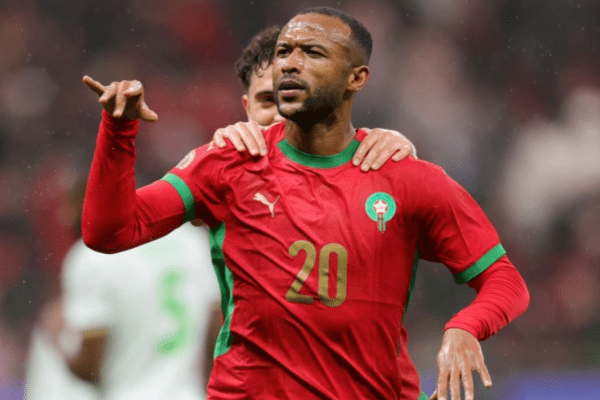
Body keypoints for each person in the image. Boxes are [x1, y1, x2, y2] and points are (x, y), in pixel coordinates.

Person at [80, 6, 529, 400]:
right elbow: (109, 233)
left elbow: (505, 281)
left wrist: (465, 327)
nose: (290, 63)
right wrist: (118, 133)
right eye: (283, 52)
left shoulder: (405, 177)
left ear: (357, 78)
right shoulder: (229, 162)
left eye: (313, 53)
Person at [214, 25, 424, 400]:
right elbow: (131, 222)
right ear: (246, 110)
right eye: (268, 101)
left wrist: (404, 159)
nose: (283, 114)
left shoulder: (373, 166)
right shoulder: (228, 173)